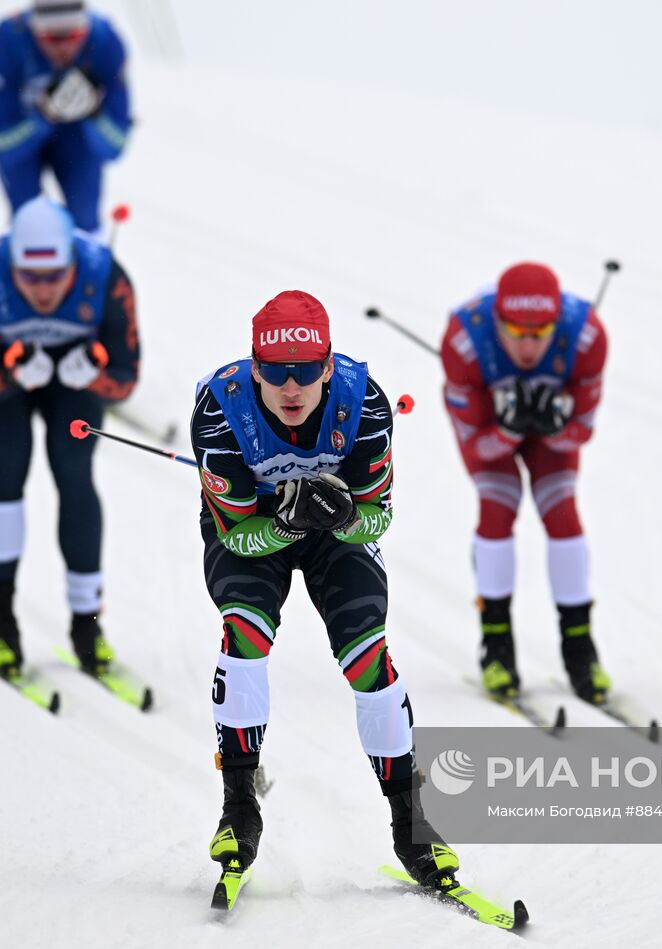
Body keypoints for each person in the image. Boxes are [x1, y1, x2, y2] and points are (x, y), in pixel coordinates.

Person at [191, 290, 459, 891]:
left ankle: (410, 821)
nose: (292, 388)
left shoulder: (363, 402)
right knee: (244, 634)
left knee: (368, 654)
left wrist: (340, 518)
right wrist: (287, 521)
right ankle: (239, 806)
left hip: (333, 535)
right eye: (277, 372)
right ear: (253, 367)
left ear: (328, 366)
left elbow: (378, 518)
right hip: (256, 530)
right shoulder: (218, 407)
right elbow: (235, 536)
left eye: (307, 371)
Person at [0, 195, 140, 679]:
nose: (42, 291)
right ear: (11, 264)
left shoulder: (104, 275)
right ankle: (1, 622)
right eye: (29, 278)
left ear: (73, 263)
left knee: (74, 471)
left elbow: (126, 376)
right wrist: (13, 375)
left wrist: (94, 373)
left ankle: (87, 625)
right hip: (10, 380)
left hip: (72, 384)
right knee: (8, 462)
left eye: (54, 277)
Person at [440, 262, 611, 705]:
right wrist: (509, 430)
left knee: (562, 513)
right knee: (498, 505)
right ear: (497, 321)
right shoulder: (464, 341)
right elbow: (477, 447)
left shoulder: (588, 337)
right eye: (516, 331)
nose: (529, 346)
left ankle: (580, 647)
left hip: (544, 433)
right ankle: (496, 644)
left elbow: (584, 431)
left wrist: (554, 427)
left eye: (542, 332)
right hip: (489, 432)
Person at [0, 0, 132, 233]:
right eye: (52, 38)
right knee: (27, 220)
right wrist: (43, 117)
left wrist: (94, 113)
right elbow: (3, 146)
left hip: (77, 138)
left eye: (74, 36)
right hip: (25, 141)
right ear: (34, 31)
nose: (64, 48)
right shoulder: (8, 40)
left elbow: (116, 147)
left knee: (85, 220)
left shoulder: (106, 42)